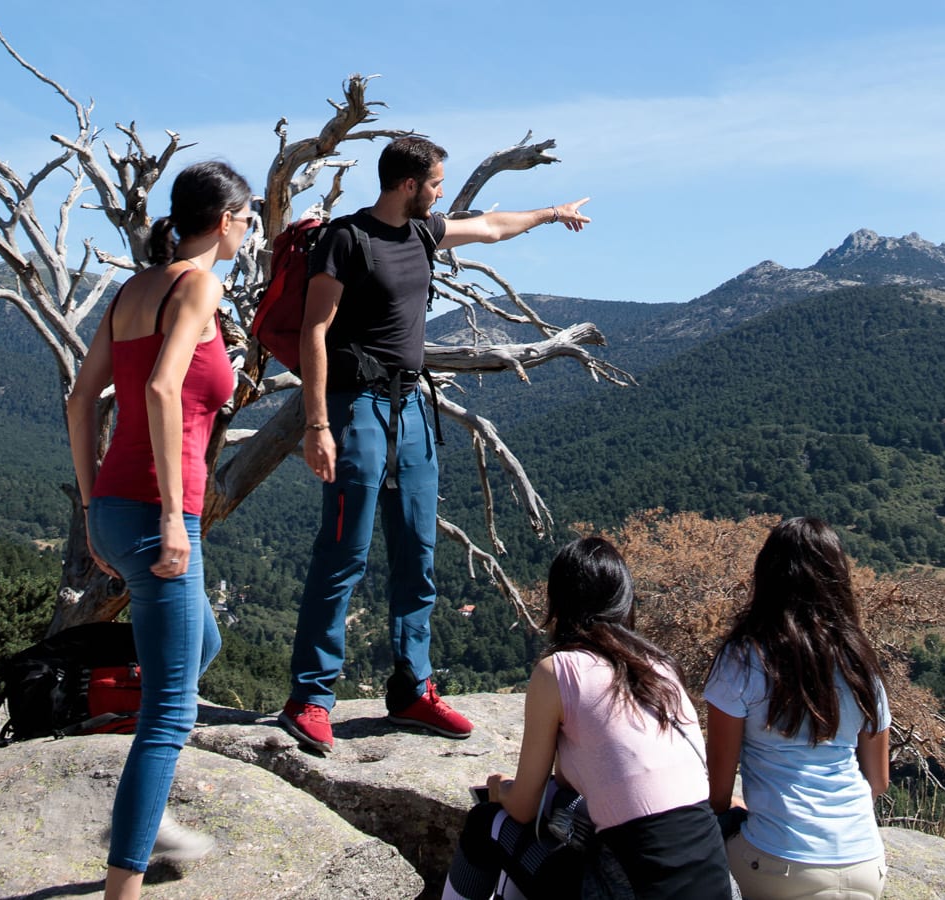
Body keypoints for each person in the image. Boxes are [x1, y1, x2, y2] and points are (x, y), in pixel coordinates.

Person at [279, 135, 592, 753]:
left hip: (413, 409)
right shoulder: (345, 240)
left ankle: (412, 689)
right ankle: (309, 697)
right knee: (344, 552)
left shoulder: (422, 233)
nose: (442, 194)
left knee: (417, 552)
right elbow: (315, 332)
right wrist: (317, 426)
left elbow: (495, 226)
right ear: (406, 185)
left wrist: (552, 213)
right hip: (357, 409)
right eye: (436, 185)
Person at [66, 160, 249, 900]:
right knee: (171, 713)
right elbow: (164, 387)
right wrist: (174, 514)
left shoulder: (131, 292)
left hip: (111, 510)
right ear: (228, 219)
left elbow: (82, 401)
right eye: (248, 221)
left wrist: (90, 513)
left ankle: (139, 810)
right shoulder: (197, 285)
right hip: (155, 514)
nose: (249, 231)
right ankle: (124, 881)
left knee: (201, 644)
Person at [442, 537, 733, 899]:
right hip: (713, 883)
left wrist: (501, 789)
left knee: (487, 824)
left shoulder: (558, 671)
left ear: (560, 601)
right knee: (568, 811)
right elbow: (569, 782)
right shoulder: (660, 669)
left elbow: (524, 807)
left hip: (626, 890)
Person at [703, 518, 891, 900]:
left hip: (778, 865)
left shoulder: (743, 657)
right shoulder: (861, 662)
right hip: (865, 864)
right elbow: (879, 781)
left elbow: (718, 792)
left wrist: (734, 810)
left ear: (768, 576)